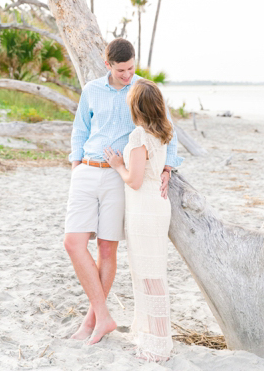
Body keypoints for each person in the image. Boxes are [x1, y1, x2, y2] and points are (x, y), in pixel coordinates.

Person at [63, 38, 182, 346]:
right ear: (108, 66)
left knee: (106, 249)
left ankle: (94, 319)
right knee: (73, 243)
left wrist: (168, 168)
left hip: (121, 179)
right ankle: (103, 316)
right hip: (87, 170)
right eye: (122, 70)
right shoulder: (91, 90)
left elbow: (167, 129)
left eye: (131, 68)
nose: (128, 75)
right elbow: (80, 129)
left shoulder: (143, 90)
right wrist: (77, 163)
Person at [103, 78, 174, 361]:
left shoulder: (140, 137)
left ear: (135, 107)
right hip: (156, 207)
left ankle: (158, 346)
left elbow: (133, 180)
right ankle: (150, 337)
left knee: (149, 275)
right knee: (151, 273)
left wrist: (118, 165)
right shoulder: (162, 133)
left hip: (144, 207)